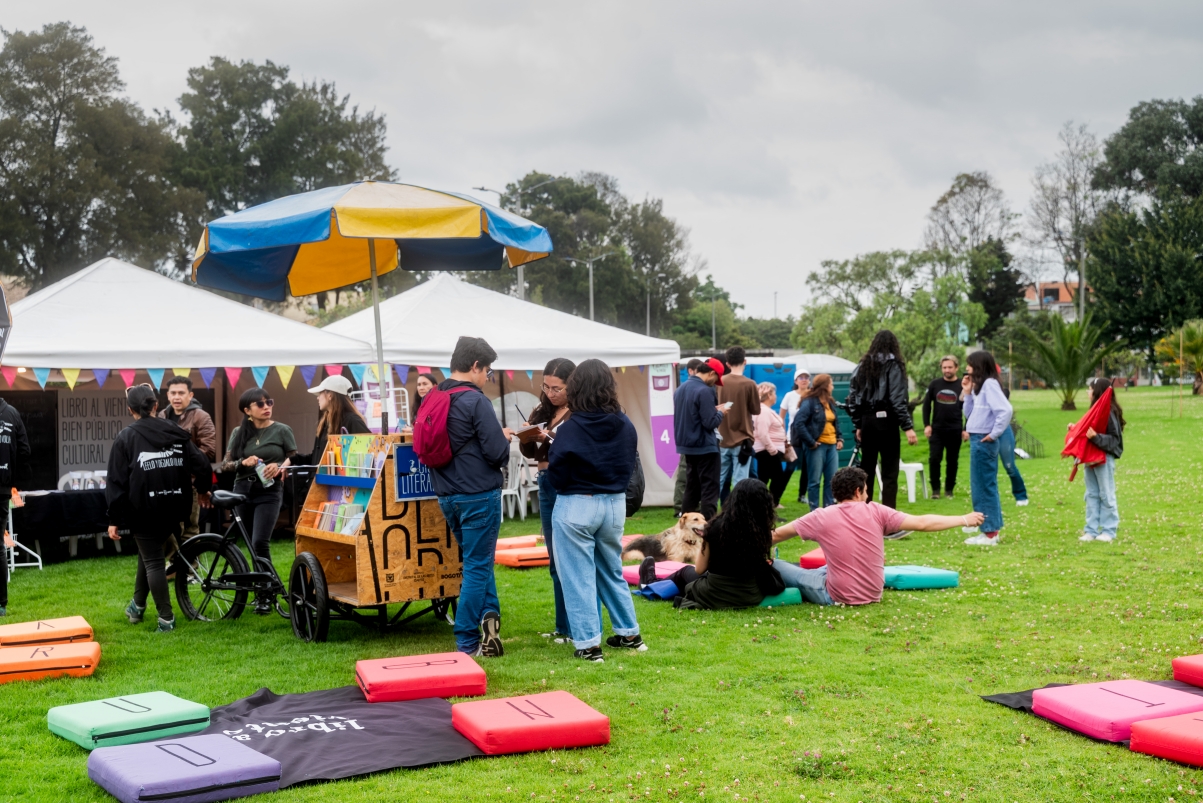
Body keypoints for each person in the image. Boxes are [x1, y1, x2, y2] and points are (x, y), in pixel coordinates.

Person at [770, 467, 984, 605]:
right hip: (873, 592)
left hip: (838, 596)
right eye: (865, 491)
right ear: (857, 491)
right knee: (825, 567)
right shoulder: (877, 511)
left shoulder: (821, 516)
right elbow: (922, 523)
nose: (867, 495)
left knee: (778, 565)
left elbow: (775, 536)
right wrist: (963, 519)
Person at [546, 358, 644, 662]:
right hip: (613, 504)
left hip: (577, 504)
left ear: (576, 387)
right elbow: (629, 463)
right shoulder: (625, 424)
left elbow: (556, 472)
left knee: (578, 577)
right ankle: (630, 634)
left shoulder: (570, 428)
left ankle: (589, 645)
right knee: (611, 570)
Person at [430, 336, 514, 657]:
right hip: (478, 494)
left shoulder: (434, 397)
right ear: (476, 366)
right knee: (477, 567)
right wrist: (503, 438)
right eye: (488, 371)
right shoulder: (476, 401)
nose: (487, 378)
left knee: (478, 561)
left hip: (446, 495)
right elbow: (497, 454)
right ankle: (466, 641)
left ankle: (489, 616)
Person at [106, 385, 212, 631]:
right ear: (156, 405)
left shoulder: (126, 437)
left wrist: (114, 518)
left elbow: (116, 482)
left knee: (153, 560)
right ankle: (137, 606)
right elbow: (202, 463)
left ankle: (166, 618)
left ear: (130, 409)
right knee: (148, 553)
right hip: (175, 508)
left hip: (143, 509)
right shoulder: (176, 431)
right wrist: (204, 489)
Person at [220, 388, 297, 612]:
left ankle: (265, 595)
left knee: (259, 542)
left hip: (269, 491)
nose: (267, 407)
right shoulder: (238, 432)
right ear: (247, 410)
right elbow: (225, 465)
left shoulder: (282, 430)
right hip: (242, 490)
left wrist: (279, 466)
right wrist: (242, 463)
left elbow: (294, 457)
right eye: (260, 404)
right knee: (248, 544)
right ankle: (260, 591)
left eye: (269, 402)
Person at [519, 357, 576, 641]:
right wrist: (526, 437)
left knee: (569, 559)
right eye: (546, 387)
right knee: (554, 559)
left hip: (566, 483)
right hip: (544, 481)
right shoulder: (542, 410)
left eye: (557, 388)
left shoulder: (579, 411)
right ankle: (562, 626)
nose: (551, 393)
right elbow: (532, 453)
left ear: (571, 385)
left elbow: (574, 447)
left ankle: (575, 627)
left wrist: (549, 437)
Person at [662, 478, 783, 610]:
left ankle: (652, 583)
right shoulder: (762, 530)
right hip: (750, 595)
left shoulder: (715, 527)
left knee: (685, 572)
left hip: (715, 593)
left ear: (734, 499)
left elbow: (699, 569)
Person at [847, 330, 917, 508]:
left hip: (867, 421)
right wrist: (907, 426)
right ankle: (888, 514)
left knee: (866, 470)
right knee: (889, 472)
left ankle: (864, 511)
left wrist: (858, 424)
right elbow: (897, 399)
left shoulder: (862, 366)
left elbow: (853, 397)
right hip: (887, 421)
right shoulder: (894, 365)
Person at [960, 351, 1012, 547]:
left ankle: (989, 533)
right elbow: (970, 414)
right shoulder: (980, 387)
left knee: (983, 487)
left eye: (970, 365)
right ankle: (990, 529)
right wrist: (967, 392)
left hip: (983, 440)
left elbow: (1005, 410)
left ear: (979, 366)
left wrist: (994, 433)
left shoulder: (989, 384)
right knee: (983, 485)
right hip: (977, 438)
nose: (967, 368)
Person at [674, 358, 727, 521]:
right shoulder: (705, 390)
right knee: (709, 489)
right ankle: (708, 527)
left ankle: (685, 527)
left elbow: (693, 415)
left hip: (687, 445)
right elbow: (710, 423)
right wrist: (721, 412)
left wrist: (712, 410)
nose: (715, 383)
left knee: (692, 488)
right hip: (705, 446)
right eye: (716, 378)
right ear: (711, 373)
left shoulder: (681, 388)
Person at [1080, 377, 1125, 543]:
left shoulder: (1109, 411)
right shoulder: (1094, 411)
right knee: (1091, 494)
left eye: (1090, 389)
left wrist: (1096, 437)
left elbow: (1115, 440)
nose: (1088, 392)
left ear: (1097, 391)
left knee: (1106, 494)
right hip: (1090, 458)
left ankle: (1108, 530)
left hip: (1103, 459)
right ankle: (1091, 530)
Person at [792, 374, 844, 510]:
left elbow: (835, 422)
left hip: (832, 446)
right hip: (817, 446)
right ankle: (814, 511)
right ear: (825, 386)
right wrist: (811, 442)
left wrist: (839, 438)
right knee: (814, 481)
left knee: (831, 481)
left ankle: (829, 510)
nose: (833, 387)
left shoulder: (830, 402)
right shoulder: (809, 402)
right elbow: (798, 423)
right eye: (831, 384)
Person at [0, 396, 31, 617]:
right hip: (2, 488)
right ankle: (1, 604)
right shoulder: (12, 413)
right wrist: (12, 480)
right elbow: (24, 451)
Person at [717, 347, 761, 502]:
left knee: (718, 480)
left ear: (727, 364)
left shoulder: (719, 382)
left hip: (722, 438)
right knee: (740, 481)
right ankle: (737, 512)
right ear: (745, 361)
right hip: (742, 439)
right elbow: (756, 410)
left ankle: (709, 511)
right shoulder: (749, 384)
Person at [297, 374, 371, 465]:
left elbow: (370, 452)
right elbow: (316, 460)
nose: (317, 398)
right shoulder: (324, 423)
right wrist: (293, 459)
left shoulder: (352, 421)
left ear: (330, 395)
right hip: (319, 475)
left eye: (320, 393)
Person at [921, 356, 964, 500]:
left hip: (955, 429)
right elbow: (926, 406)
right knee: (934, 459)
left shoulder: (962, 386)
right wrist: (927, 425)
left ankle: (949, 490)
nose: (947, 370)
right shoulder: (935, 384)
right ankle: (935, 490)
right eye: (944, 367)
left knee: (952, 461)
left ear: (956, 368)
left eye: (950, 367)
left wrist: (966, 428)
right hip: (937, 430)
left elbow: (969, 408)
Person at [673, 359, 704, 515]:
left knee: (688, 474)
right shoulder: (692, 389)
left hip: (686, 438)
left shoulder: (682, 389)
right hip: (690, 439)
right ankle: (681, 507)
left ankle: (684, 506)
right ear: (691, 371)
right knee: (685, 474)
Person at [752, 383, 790, 509]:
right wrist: (773, 450)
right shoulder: (763, 411)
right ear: (769, 395)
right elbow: (762, 433)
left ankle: (763, 503)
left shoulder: (765, 410)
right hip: (767, 451)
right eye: (774, 393)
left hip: (767, 450)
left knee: (764, 478)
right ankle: (771, 503)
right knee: (777, 477)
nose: (775, 396)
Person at [779, 370, 810, 503]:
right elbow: (781, 417)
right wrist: (783, 435)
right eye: (800, 377)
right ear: (796, 381)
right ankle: (776, 497)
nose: (804, 380)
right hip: (794, 438)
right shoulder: (789, 396)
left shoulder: (812, 395)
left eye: (806, 377)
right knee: (790, 467)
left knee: (807, 468)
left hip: (809, 437)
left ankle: (802, 495)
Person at [996, 387, 1029, 506]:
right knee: (989, 468)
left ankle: (1021, 496)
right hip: (986, 431)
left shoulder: (999, 391)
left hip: (1004, 431)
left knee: (1009, 466)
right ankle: (990, 499)